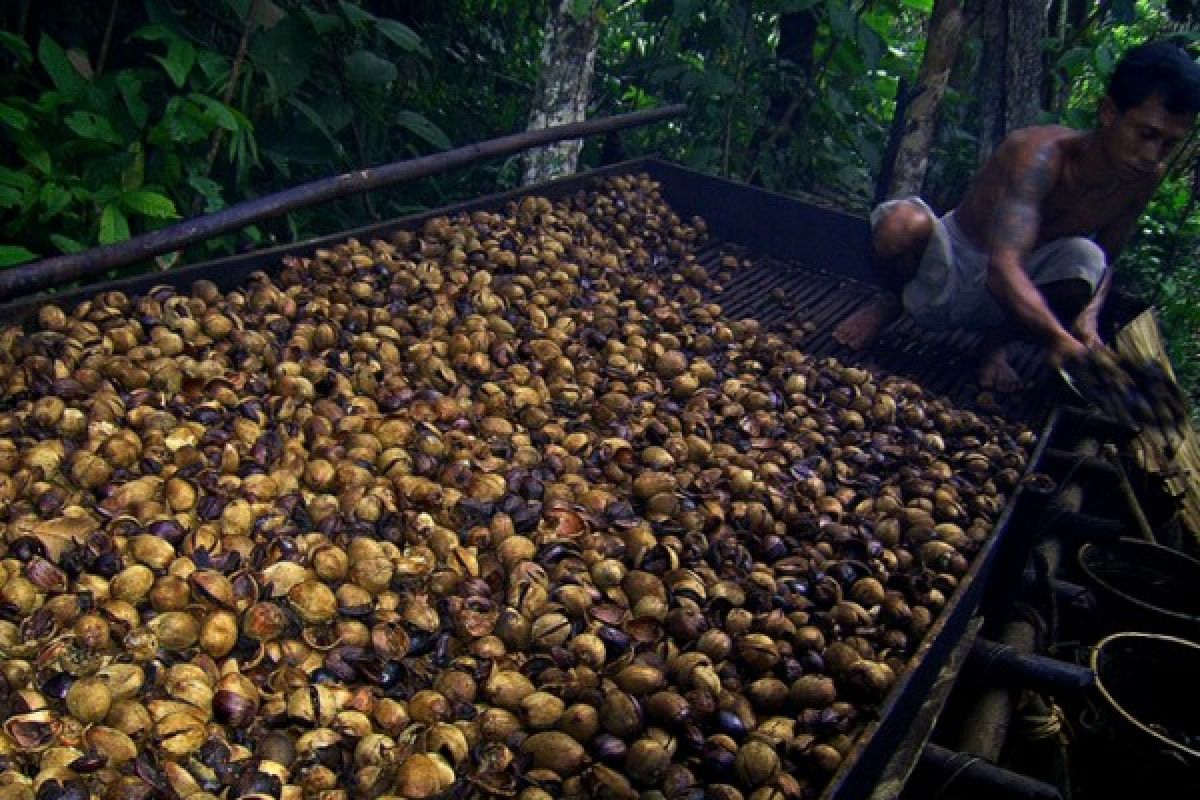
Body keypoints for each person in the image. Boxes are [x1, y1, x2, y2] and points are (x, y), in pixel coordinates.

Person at [833, 40, 1200, 391]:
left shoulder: (1144, 177)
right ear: (1108, 113)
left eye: (1169, 144)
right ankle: (891, 303)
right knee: (900, 226)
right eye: (1146, 134)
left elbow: (1108, 259)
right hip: (958, 263)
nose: (1154, 155)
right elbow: (1000, 269)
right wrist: (1058, 338)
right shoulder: (1039, 155)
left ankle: (994, 345)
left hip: (1019, 283)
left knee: (1088, 262)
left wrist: (1087, 322)